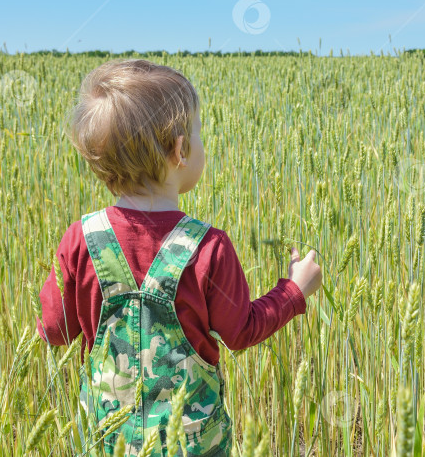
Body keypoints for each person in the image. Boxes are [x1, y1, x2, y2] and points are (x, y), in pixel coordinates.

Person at [36, 58, 322, 456]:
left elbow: (54, 330)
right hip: (192, 445)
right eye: (199, 134)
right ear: (180, 149)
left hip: (105, 440)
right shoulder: (208, 247)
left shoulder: (80, 240)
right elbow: (241, 331)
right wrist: (293, 291)